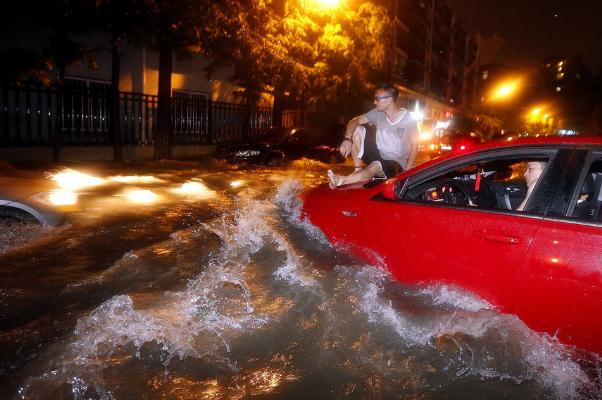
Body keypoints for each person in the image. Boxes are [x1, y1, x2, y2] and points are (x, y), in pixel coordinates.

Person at [327, 83, 419, 189]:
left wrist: (406, 173)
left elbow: (415, 145)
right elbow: (355, 121)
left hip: (396, 164)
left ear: (389, 100)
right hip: (379, 154)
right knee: (357, 129)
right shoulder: (378, 113)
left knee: (376, 165)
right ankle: (358, 170)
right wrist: (347, 139)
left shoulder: (408, 119)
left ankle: (341, 180)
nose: (374, 102)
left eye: (377, 99)